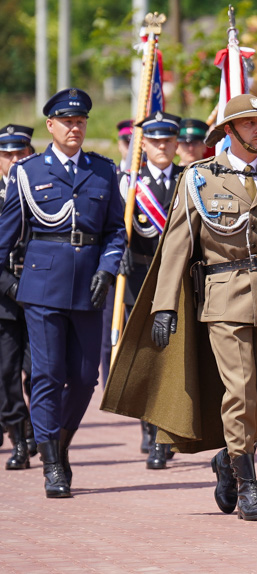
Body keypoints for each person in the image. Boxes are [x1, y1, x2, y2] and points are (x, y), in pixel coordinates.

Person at [101, 93, 257, 521]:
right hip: (224, 296)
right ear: (230, 131)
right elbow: (178, 243)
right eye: (251, 124)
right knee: (239, 390)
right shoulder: (199, 178)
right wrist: (165, 306)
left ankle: (228, 458)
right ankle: (247, 481)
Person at [0, 89, 126, 498]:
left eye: (81, 121)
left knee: (86, 378)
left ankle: (60, 442)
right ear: (50, 126)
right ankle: (53, 463)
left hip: (89, 287)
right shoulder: (28, 172)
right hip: (41, 288)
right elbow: (3, 243)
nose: (75, 127)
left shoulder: (104, 172)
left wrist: (107, 271)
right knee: (48, 375)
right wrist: (13, 287)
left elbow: (115, 232)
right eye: (67, 121)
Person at [119, 111, 183, 470]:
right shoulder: (130, 183)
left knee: (173, 359)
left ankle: (165, 433)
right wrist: (122, 253)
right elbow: (116, 226)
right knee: (147, 356)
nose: (162, 147)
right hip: (141, 281)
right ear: (145, 145)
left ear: (176, 144)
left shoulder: (189, 180)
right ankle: (149, 425)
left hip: (177, 284)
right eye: (155, 142)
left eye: (168, 141)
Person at [0, 124, 37, 471]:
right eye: (7, 154)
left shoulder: (40, 189)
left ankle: (38, 427)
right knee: (6, 375)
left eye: (20, 153)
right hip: (5, 300)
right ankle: (19, 438)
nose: (14, 160)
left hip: (40, 294)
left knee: (36, 371)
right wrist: (11, 287)